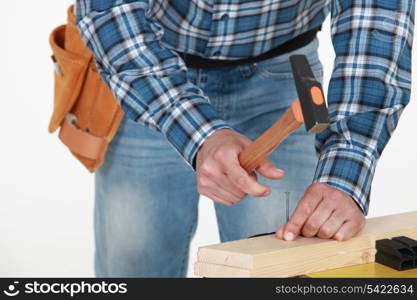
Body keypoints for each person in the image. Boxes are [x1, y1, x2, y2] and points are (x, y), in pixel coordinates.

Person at [74, 0, 414, 277]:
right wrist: (200, 134)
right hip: (147, 75)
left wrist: (345, 173)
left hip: (286, 71)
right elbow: (110, 13)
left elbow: (378, 17)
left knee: (281, 267)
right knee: (133, 267)